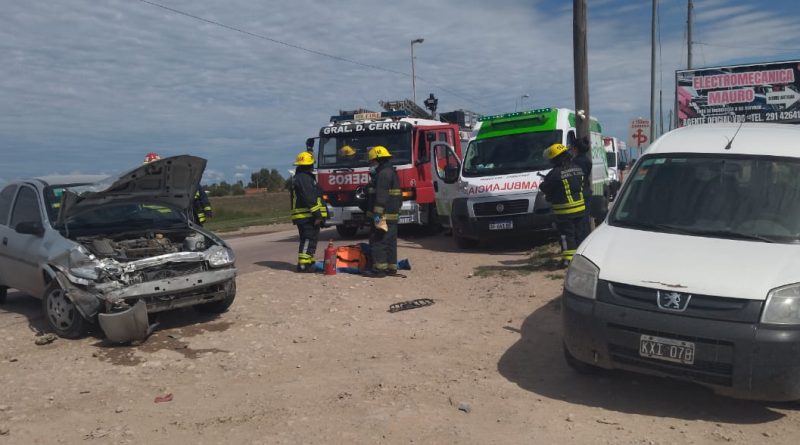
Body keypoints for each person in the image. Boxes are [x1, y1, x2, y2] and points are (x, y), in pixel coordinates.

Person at [540, 143, 590, 267]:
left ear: (555, 158)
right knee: (579, 234)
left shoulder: (555, 173)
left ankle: (568, 260)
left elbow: (546, 188)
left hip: (565, 212)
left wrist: (543, 184)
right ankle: (581, 259)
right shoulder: (578, 168)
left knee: (566, 236)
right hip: (581, 209)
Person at [143, 152, 213, 225]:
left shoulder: (176, 181)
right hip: (155, 220)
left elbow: (202, 197)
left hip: (185, 218)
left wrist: (207, 210)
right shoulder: (146, 184)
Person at [364, 145, 401, 277]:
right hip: (392, 215)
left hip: (382, 216)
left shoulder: (383, 174)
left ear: (377, 160)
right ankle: (391, 268)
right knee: (390, 243)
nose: (371, 165)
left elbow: (381, 197)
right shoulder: (391, 172)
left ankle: (379, 269)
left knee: (378, 241)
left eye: (372, 162)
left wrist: (377, 215)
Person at [290, 151, 328, 272]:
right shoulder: (304, 178)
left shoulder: (302, 177)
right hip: (307, 215)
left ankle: (309, 261)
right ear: (309, 165)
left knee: (311, 239)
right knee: (307, 239)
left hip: (306, 215)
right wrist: (318, 215)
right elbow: (309, 198)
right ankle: (303, 265)